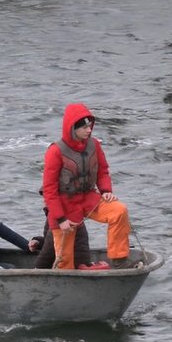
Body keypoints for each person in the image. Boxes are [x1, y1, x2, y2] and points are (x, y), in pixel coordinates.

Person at [43, 103, 140, 269]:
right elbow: (49, 190)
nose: (89, 130)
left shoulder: (94, 144)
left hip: (89, 198)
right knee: (64, 261)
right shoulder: (55, 151)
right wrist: (61, 219)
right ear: (73, 128)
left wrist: (106, 190)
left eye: (90, 126)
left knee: (119, 211)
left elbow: (103, 171)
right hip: (65, 207)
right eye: (85, 127)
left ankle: (119, 259)